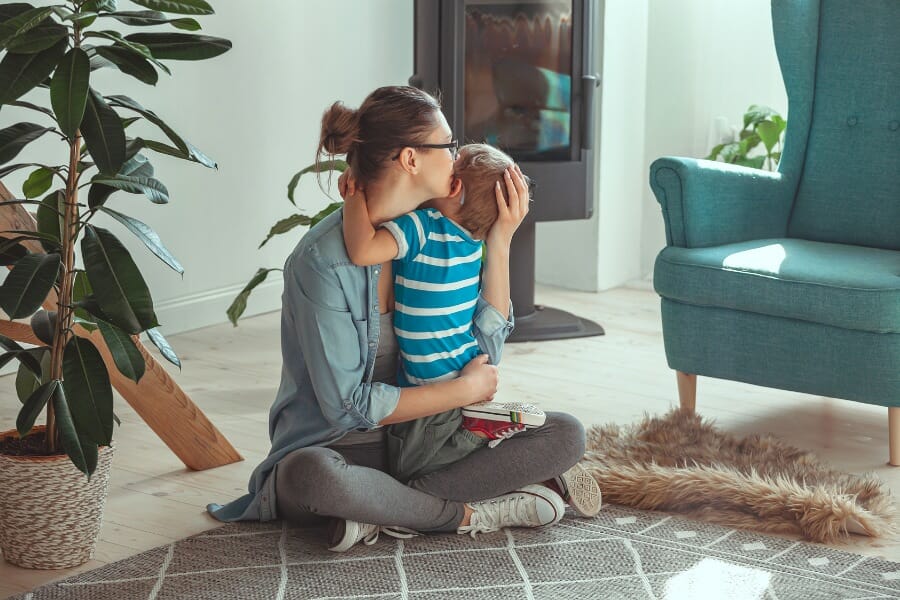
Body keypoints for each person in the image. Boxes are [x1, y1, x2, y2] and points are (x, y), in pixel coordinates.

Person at [207, 86, 600, 552]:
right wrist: (464, 391)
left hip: (428, 438)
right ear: (411, 159)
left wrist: (500, 242)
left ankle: (385, 511)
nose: (457, 157)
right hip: (345, 447)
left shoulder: (440, 230)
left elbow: (482, 353)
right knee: (310, 477)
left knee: (566, 433)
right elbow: (346, 408)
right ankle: (468, 513)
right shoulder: (323, 262)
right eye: (448, 145)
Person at [341, 143, 546, 482]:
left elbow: (363, 250)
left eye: (453, 159)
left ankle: (485, 440)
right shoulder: (471, 244)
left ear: (453, 186)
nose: (447, 159)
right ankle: (515, 462)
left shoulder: (421, 227)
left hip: (431, 392)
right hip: (466, 368)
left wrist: (355, 194)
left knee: (411, 469)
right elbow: (492, 332)